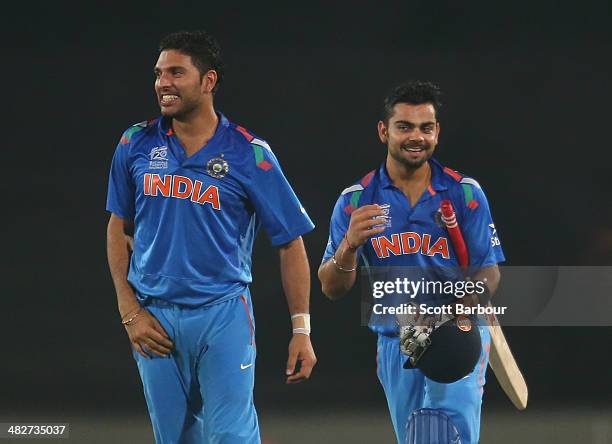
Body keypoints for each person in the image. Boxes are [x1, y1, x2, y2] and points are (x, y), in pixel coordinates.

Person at [106, 30, 317, 444]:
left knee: (231, 436)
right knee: (178, 438)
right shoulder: (135, 143)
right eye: (158, 73)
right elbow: (118, 227)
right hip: (155, 318)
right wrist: (130, 311)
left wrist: (302, 330)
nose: (163, 83)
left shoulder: (250, 154)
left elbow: (291, 242)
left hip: (223, 315)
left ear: (208, 82)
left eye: (176, 73)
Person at [318, 81, 505, 444]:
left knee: (437, 432)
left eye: (426, 127)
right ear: (383, 131)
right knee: (417, 437)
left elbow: (489, 271)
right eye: (405, 126)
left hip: (457, 333)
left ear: (437, 133)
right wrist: (349, 247)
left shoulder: (464, 193)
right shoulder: (356, 200)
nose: (416, 136)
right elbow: (331, 287)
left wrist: (461, 305)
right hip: (399, 341)